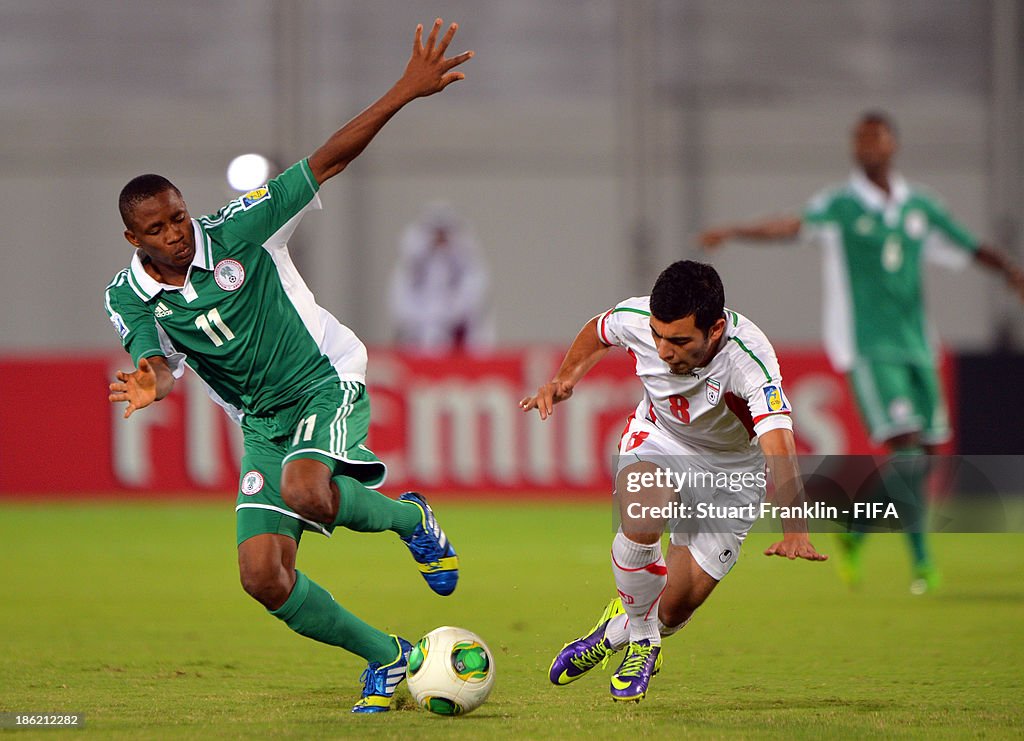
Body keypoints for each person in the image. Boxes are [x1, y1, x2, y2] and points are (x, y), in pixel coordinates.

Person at [104, 19, 471, 714]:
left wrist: (404, 90)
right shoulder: (126, 294)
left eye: (179, 216)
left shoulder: (240, 228)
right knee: (263, 576)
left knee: (307, 488)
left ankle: (408, 520)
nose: (178, 233)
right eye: (159, 228)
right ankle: (389, 657)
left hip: (323, 377)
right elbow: (151, 357)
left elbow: (326, 159)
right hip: (261, 422)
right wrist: (150, 383)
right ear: (134, 237)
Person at [699, 110, 1024, 595]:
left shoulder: (920, 207)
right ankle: (922, 564)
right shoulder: (843, 207)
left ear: (893, 144)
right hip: (869, 347)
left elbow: (968, 245)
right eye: (859, 139)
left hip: (918, 345)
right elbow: (790, 226)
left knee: (930, 452)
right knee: (909, 447)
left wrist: (1010, 270)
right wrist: (736, 231)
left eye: (875, 138)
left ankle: (857, 527)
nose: (867, 146)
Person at [520, 260, 827, 704]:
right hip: (660, 439)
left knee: (676, 605)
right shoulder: (639, 319)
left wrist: (795, 527)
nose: (664, 351)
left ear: (716, 329)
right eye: (659, 337)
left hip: (732, 476)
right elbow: (598, 329)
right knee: (642, 513)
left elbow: (778, 441)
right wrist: (563, 380)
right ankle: (644, 642)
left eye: (680, 341)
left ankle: (618, 629)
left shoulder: (750, 359)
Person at [389, 201, 494, 353]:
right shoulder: (410, 268)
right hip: (419, 334)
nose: (439, 241)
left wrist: (449, 315)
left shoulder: (468, 266)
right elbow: (400, 304)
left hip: (457, 335)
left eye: (444, 234)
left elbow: (474, 298)